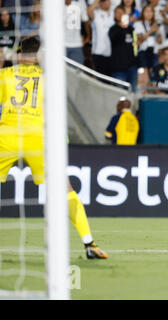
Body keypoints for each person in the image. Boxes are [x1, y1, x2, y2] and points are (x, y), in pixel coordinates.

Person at [0, 37, 107, 259]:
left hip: (7, 135)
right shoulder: (50, 79)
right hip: (39, 138)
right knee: (65, 189)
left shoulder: (5, 76)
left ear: (19, 55)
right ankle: (89, 243)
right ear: (39, 56)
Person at [109, 5, 138, 90]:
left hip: (132, 68)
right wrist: (123, 26)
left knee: (133, 94)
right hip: (119, 69)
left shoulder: (131, 29)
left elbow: (135, 45)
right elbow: (113, 39)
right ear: (114, 15)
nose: (119, 14)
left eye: (122, 12)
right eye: (117, 12)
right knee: (120, 96)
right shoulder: (113, 29)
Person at [88, 0, 115, 76]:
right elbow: (89, 11)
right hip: (98, 52)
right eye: (103, 1)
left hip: (113, 53)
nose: (106, 2)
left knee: (111, 80)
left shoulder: (115, 13)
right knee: (100, 80)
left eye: (107, 0)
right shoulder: (95, 13)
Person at [64, 0, 90, 65]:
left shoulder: (80, 3)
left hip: (76, 44)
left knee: (76, 72)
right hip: (60, 45)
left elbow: (86, 20)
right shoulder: (55, 5)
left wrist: (88, 37)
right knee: (60, 72)